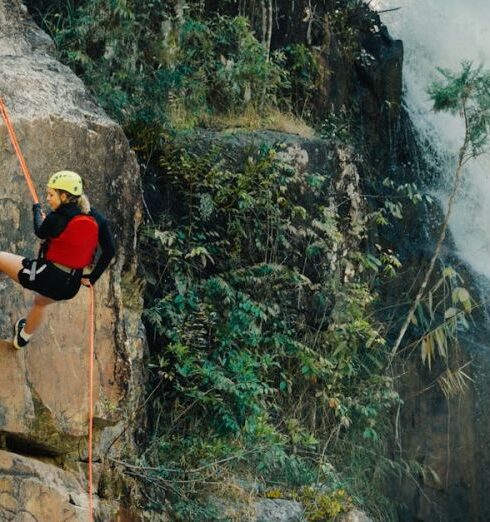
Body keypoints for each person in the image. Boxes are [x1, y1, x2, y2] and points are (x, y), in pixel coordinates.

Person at [0, 170, 115, 349]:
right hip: (70, 285)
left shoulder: (56, 217)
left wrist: (36, 211)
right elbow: (109, 251)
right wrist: (92, 277)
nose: (47, 198)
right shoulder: (97, 218)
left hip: (45, 276)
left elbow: (40, 231)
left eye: (51, 194)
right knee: (40, 302)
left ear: (64, 196)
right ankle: (22, 338)